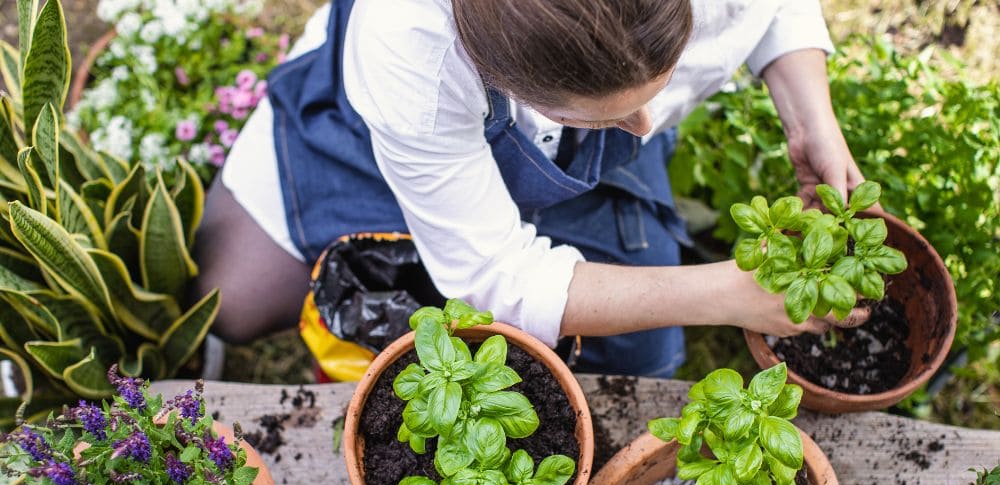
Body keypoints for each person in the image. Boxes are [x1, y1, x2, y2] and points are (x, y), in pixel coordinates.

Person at [195, 0, 870, 378]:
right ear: (500, 73)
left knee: (645, 360)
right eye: (608, 114)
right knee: (231, 301)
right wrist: (729, 293)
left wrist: (811, 117)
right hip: (391, 122)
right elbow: (494, 276)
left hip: (531, 109)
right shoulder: (414, 52)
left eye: (659, 87)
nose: (644, 128)